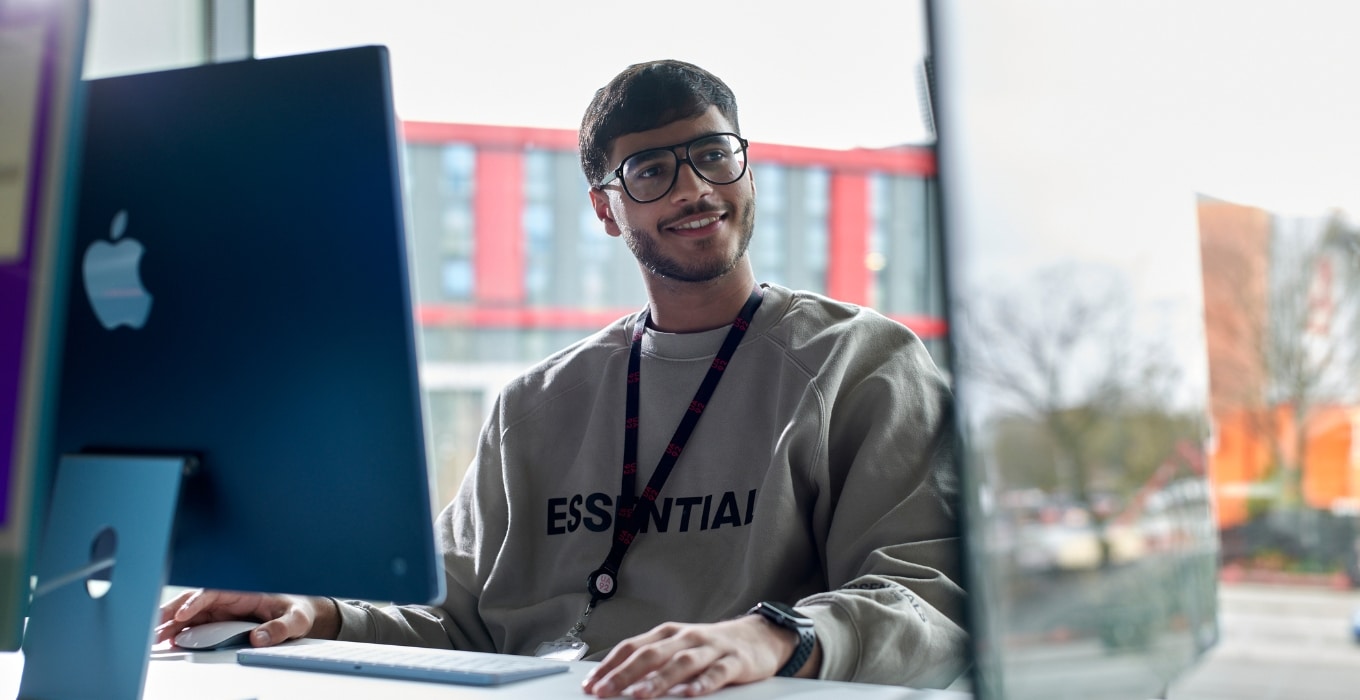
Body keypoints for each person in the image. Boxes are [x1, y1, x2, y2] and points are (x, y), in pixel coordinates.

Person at [157, 59, 969, 698]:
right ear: (606, 209)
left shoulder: (862, 362)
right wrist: (319, 614)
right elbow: (459, 618)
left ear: (748, 173)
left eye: (714, 156)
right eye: (651, 170)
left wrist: (769, 636)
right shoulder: (535, 405)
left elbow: (932, 599)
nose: (693, 187)